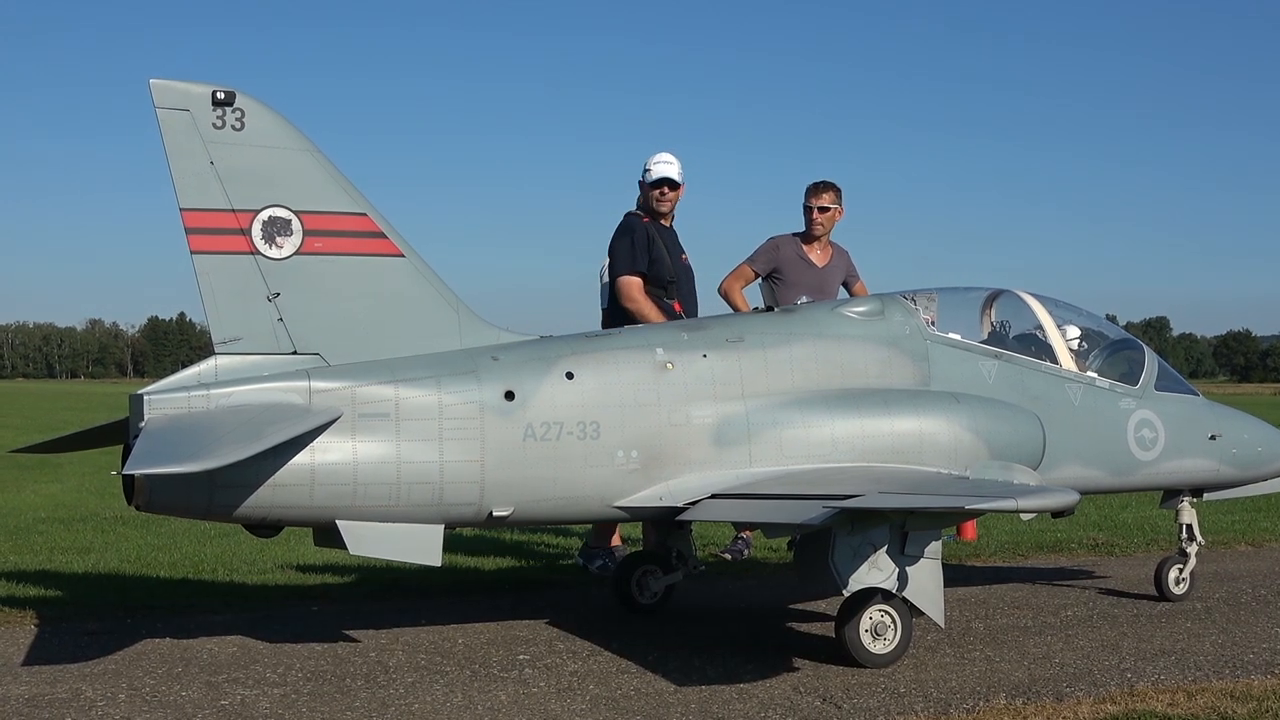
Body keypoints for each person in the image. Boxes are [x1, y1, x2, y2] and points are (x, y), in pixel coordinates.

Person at [713, 179, 868, 561]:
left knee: (812, 453)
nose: (814, 216)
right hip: (773, 369)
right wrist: (756, 327)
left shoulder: (842, 258)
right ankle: (744, 534)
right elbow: (730, 286)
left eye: (822, 209)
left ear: (839, 214)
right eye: (808, 208)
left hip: (819, 374)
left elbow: (865, 304)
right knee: (755, 449)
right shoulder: (779, 247)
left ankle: (804, 531)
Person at [577, 151, 698, 576]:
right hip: (641, 364)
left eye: (670, 185)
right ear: (642, 187)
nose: (663, 191)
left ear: (682, 190)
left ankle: (658, 554)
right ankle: (601, 546)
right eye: (656, 184)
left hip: (660, 363)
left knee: (655, 462)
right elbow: (629, 295)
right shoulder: (634, 228)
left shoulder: (666, 234)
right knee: (637, 460)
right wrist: (675, 339)